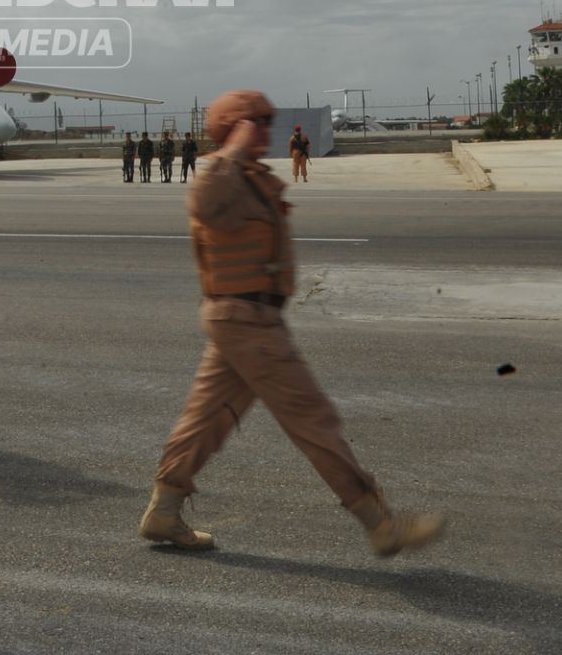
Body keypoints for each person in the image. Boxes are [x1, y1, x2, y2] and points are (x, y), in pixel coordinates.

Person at [139, 89, 443, 557]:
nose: (267, 128)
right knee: (312, 418)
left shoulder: (250, 174)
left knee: (205, 422)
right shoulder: (222, 172)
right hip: (247, 321)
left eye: (267, 119)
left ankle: (163, 511)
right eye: (257, 120)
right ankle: (380, 523)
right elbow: (204, 201)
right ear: (235, 126)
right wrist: (236, 143)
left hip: (244, 319)